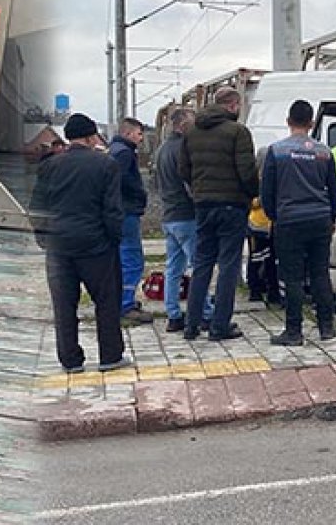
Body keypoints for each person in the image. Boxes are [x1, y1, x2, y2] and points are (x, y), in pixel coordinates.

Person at [29, 113, 131, 373]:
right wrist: (113, 238)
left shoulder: (49, 166)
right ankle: (110, 356)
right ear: (90, 137)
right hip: (95, 245)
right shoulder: (106, 165)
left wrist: (43, 238)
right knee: (106, 301)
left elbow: (36, 207)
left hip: (58, 247)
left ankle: (70, 360)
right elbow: (112, 210)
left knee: (64, 305)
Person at [179, 87, 259, 341]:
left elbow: (183, 169)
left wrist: (199, 189)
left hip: (203, 205)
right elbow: (246, 171)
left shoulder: (191, 132)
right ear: (233, 105)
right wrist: (252, 194)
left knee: (202, 263)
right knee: (228, 266)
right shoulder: (238, 132)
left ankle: (191, 324)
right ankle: (220, 325)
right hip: (232, 205)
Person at [261, 99, 336, 346]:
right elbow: (334, 189)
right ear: (312, 123)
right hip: (320, 219)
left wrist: (274, 216)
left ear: (288, 121)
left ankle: (294, 331)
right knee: (320, 273)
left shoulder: (277, 151)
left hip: (289, 220)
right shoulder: (324, 152)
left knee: (292, 277)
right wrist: (333, 216)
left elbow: (267, 191)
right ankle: (326, 327)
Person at [153, 107, 213, 332]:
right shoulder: (184, 149)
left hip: (169, 215)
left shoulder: (161, 150)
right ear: (183, 125)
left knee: (173, 268)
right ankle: (205, 313)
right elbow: (189, 184)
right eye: (192, 123)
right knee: (199, 266)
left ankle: (173, 314)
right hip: (187, 215)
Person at [107, 117, 151, 323]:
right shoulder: (124, 153)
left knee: (121, 258)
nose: (141, 138)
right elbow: (123, 180)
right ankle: (125, 305)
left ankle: (121, 300)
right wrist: (139, 193)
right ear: (127, 133)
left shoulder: (114, 150)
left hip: (118, 212)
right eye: (139, 134)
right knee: (132, 259)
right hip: (127, 211)